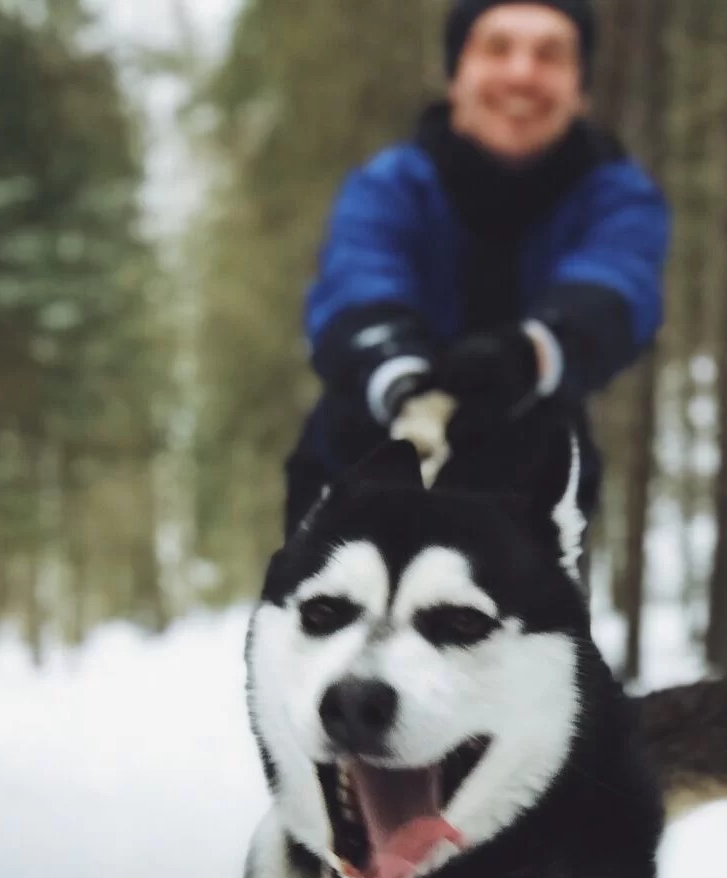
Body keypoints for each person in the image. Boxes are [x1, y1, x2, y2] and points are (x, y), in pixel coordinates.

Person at [282, 0, 671, 538]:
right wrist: (400, 375)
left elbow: (618, 288)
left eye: (550, 55)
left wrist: (530, 353)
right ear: (455, 74)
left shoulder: (619, 198)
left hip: (536, 499)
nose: (522, 73)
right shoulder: (389, 186)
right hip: (351, 476)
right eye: (497, 48)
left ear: (580, 87)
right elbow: (355, 282)